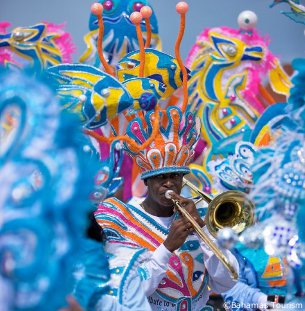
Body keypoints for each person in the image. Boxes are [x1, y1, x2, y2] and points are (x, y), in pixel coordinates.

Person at [95, 106, 239, 310]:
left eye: (175, 176)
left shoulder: (198, 217)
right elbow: (125, 291)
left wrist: (203, 230)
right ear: (146, 181)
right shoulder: (121, 220)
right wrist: (167, 247)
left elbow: (227, 281)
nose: (169, 183)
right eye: (161, 177)